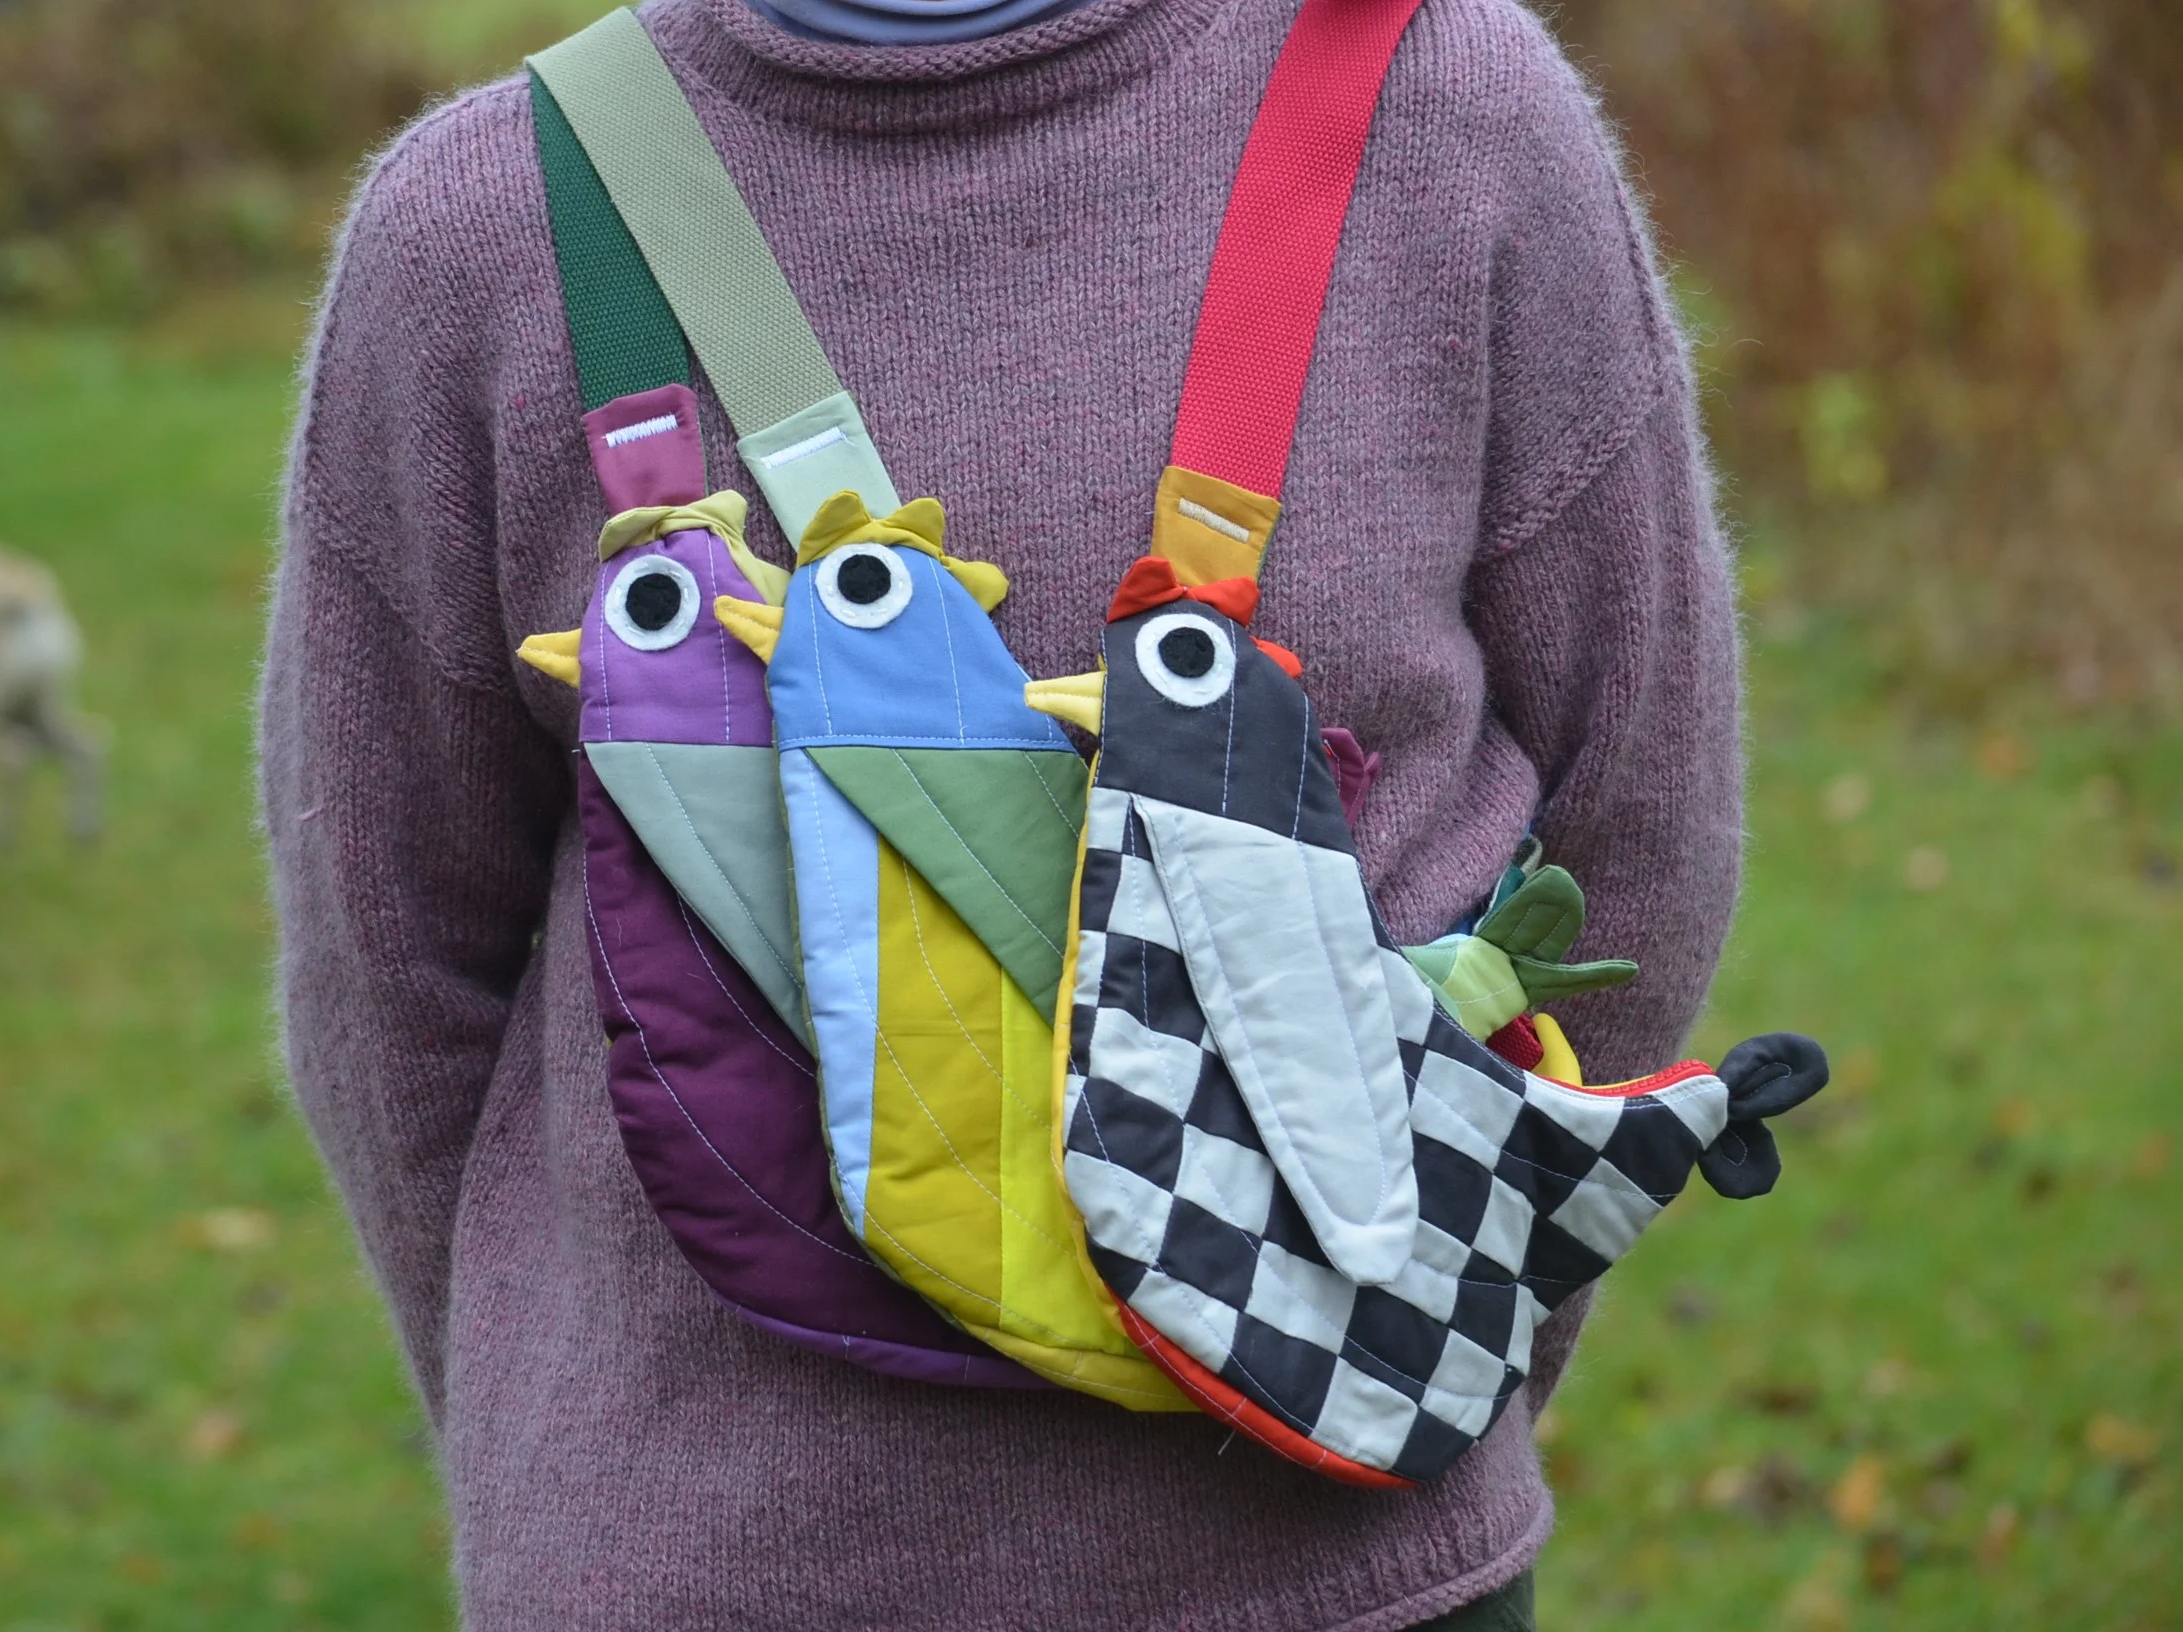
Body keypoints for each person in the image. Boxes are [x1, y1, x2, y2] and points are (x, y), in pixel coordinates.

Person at [258, 0, 1740, 1622]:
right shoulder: (485, 231)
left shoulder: (1451, 115)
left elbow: (1637, 822)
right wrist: (1402, 1334)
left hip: (1338, 1577)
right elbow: (398, 980)